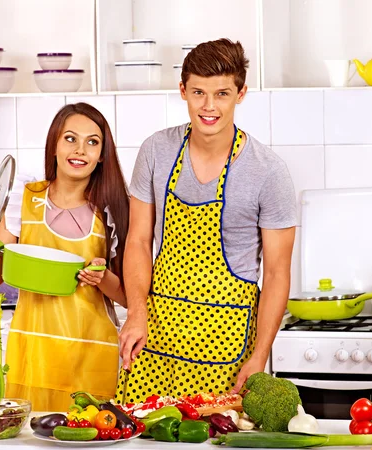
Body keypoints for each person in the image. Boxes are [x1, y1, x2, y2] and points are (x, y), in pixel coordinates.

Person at [116, 38, 297, 403]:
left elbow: (277, 273)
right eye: (198, 92)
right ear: (182, 90)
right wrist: (136, 313)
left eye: (222, 94)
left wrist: (260, 355)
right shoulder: (156, 150)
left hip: (226, 347)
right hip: (156, 337)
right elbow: (137, 240)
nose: (209, 106)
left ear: (241, 93)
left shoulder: (268, 171)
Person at [0, 103, 130, 411]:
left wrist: (103, 278)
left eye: (92, 142)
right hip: (33, 353)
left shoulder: (113, 211)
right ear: (54, 144)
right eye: (70, 138)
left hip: (91, 355)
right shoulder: (23, 201)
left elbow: (128, 296)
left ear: (102, 154)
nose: (80, 150)